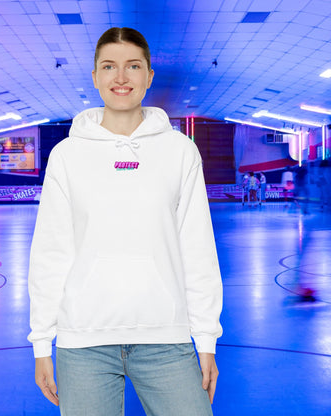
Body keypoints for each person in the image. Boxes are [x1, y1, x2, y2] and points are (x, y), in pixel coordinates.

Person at [28, 27, 223, 416]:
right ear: (96, 76)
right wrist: (41, 342)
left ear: (149, 76)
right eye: (109, 66)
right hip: (83, 343)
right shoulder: (67, 156)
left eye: (133, 66)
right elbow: (51, 251)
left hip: (166, 339)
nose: (121, 77)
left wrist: (205, 340)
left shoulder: (180, 152)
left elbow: (197, 249)